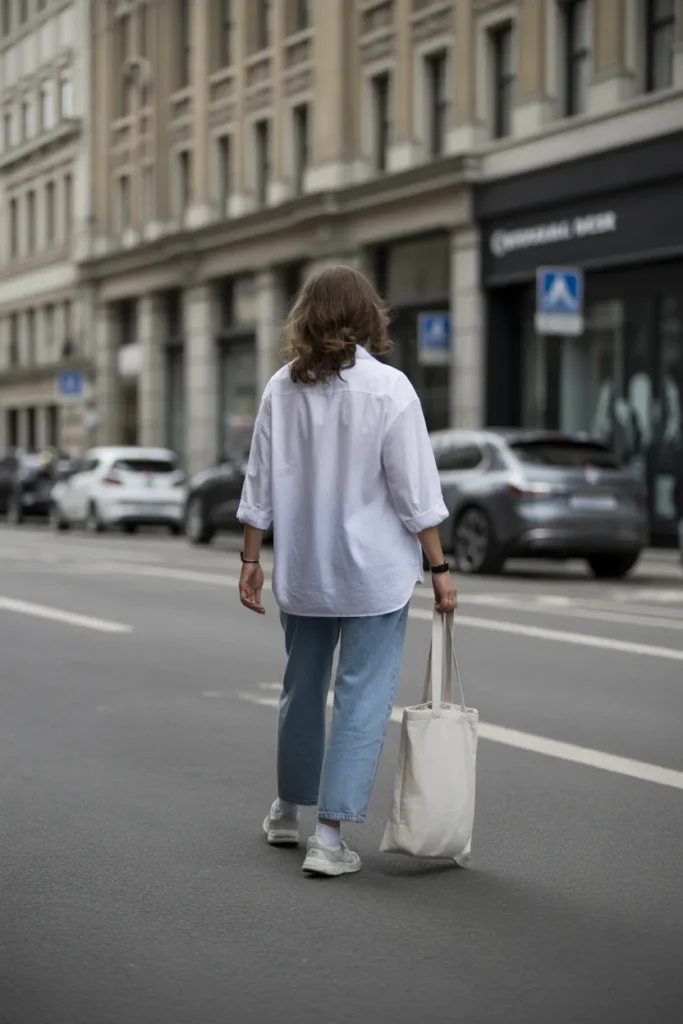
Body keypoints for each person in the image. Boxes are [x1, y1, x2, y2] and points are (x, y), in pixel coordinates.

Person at [237, 265, 457, 877]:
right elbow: (415, 492)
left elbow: (258, 483)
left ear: (303, 315)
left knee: (300, 691)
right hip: (376, 576)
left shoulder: (281, 387)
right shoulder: (390, 389)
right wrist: (439, 566)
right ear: (368, 317)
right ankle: (328, 839)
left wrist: (251, 560)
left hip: (306, 570)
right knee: (361, 698)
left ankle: (286, 810)